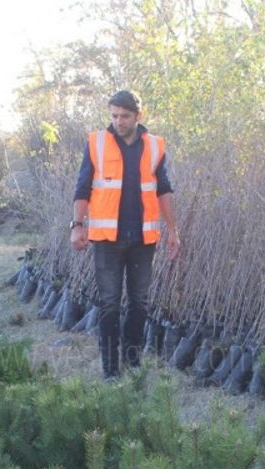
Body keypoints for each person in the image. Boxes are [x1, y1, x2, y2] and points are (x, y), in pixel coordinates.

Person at [70, 90, 181, 378]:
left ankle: (132, 365)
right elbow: (82, 187)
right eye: (114, 115)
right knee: (109, 304)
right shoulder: (96, 143)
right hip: (107, 241)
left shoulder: (155, 146)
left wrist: (173, 231)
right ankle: (110, 372)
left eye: (125, 116)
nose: (118, 121)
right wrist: (77, 225)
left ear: (138, 116)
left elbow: (163, 190)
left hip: (143, 240)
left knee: (139, 303)